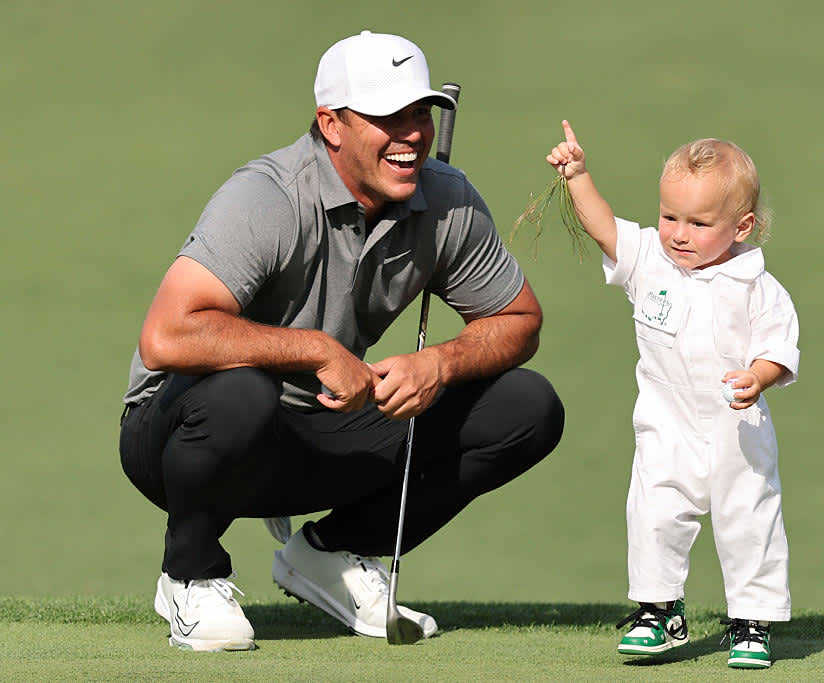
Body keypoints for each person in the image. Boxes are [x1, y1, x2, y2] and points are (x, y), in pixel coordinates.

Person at [119, 30, 564, 652]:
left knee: (526, 407)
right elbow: (166, 336)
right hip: (178, 436)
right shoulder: (268, 197)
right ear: (331, 124)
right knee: (241, 394)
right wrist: (321, 351)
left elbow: (519, 320)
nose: (412, 134)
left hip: (325, 433)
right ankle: (189, 575)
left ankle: (331, 552)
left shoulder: (447, 200)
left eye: (421, 113)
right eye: (388, 117)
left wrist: (439, 362)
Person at [544, 121, 798, 669]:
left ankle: (752, 619)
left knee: (747, 517)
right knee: (654, 511)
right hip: (666, 420)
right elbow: (606, 228)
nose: (679, 234)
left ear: (742, 227)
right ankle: (658, 611)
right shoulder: (652, 262)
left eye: (700, 223)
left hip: (736, 428)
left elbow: (780, 346)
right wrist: (578, 176)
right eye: (669, 217)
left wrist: (759, 376)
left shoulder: (756, 285)